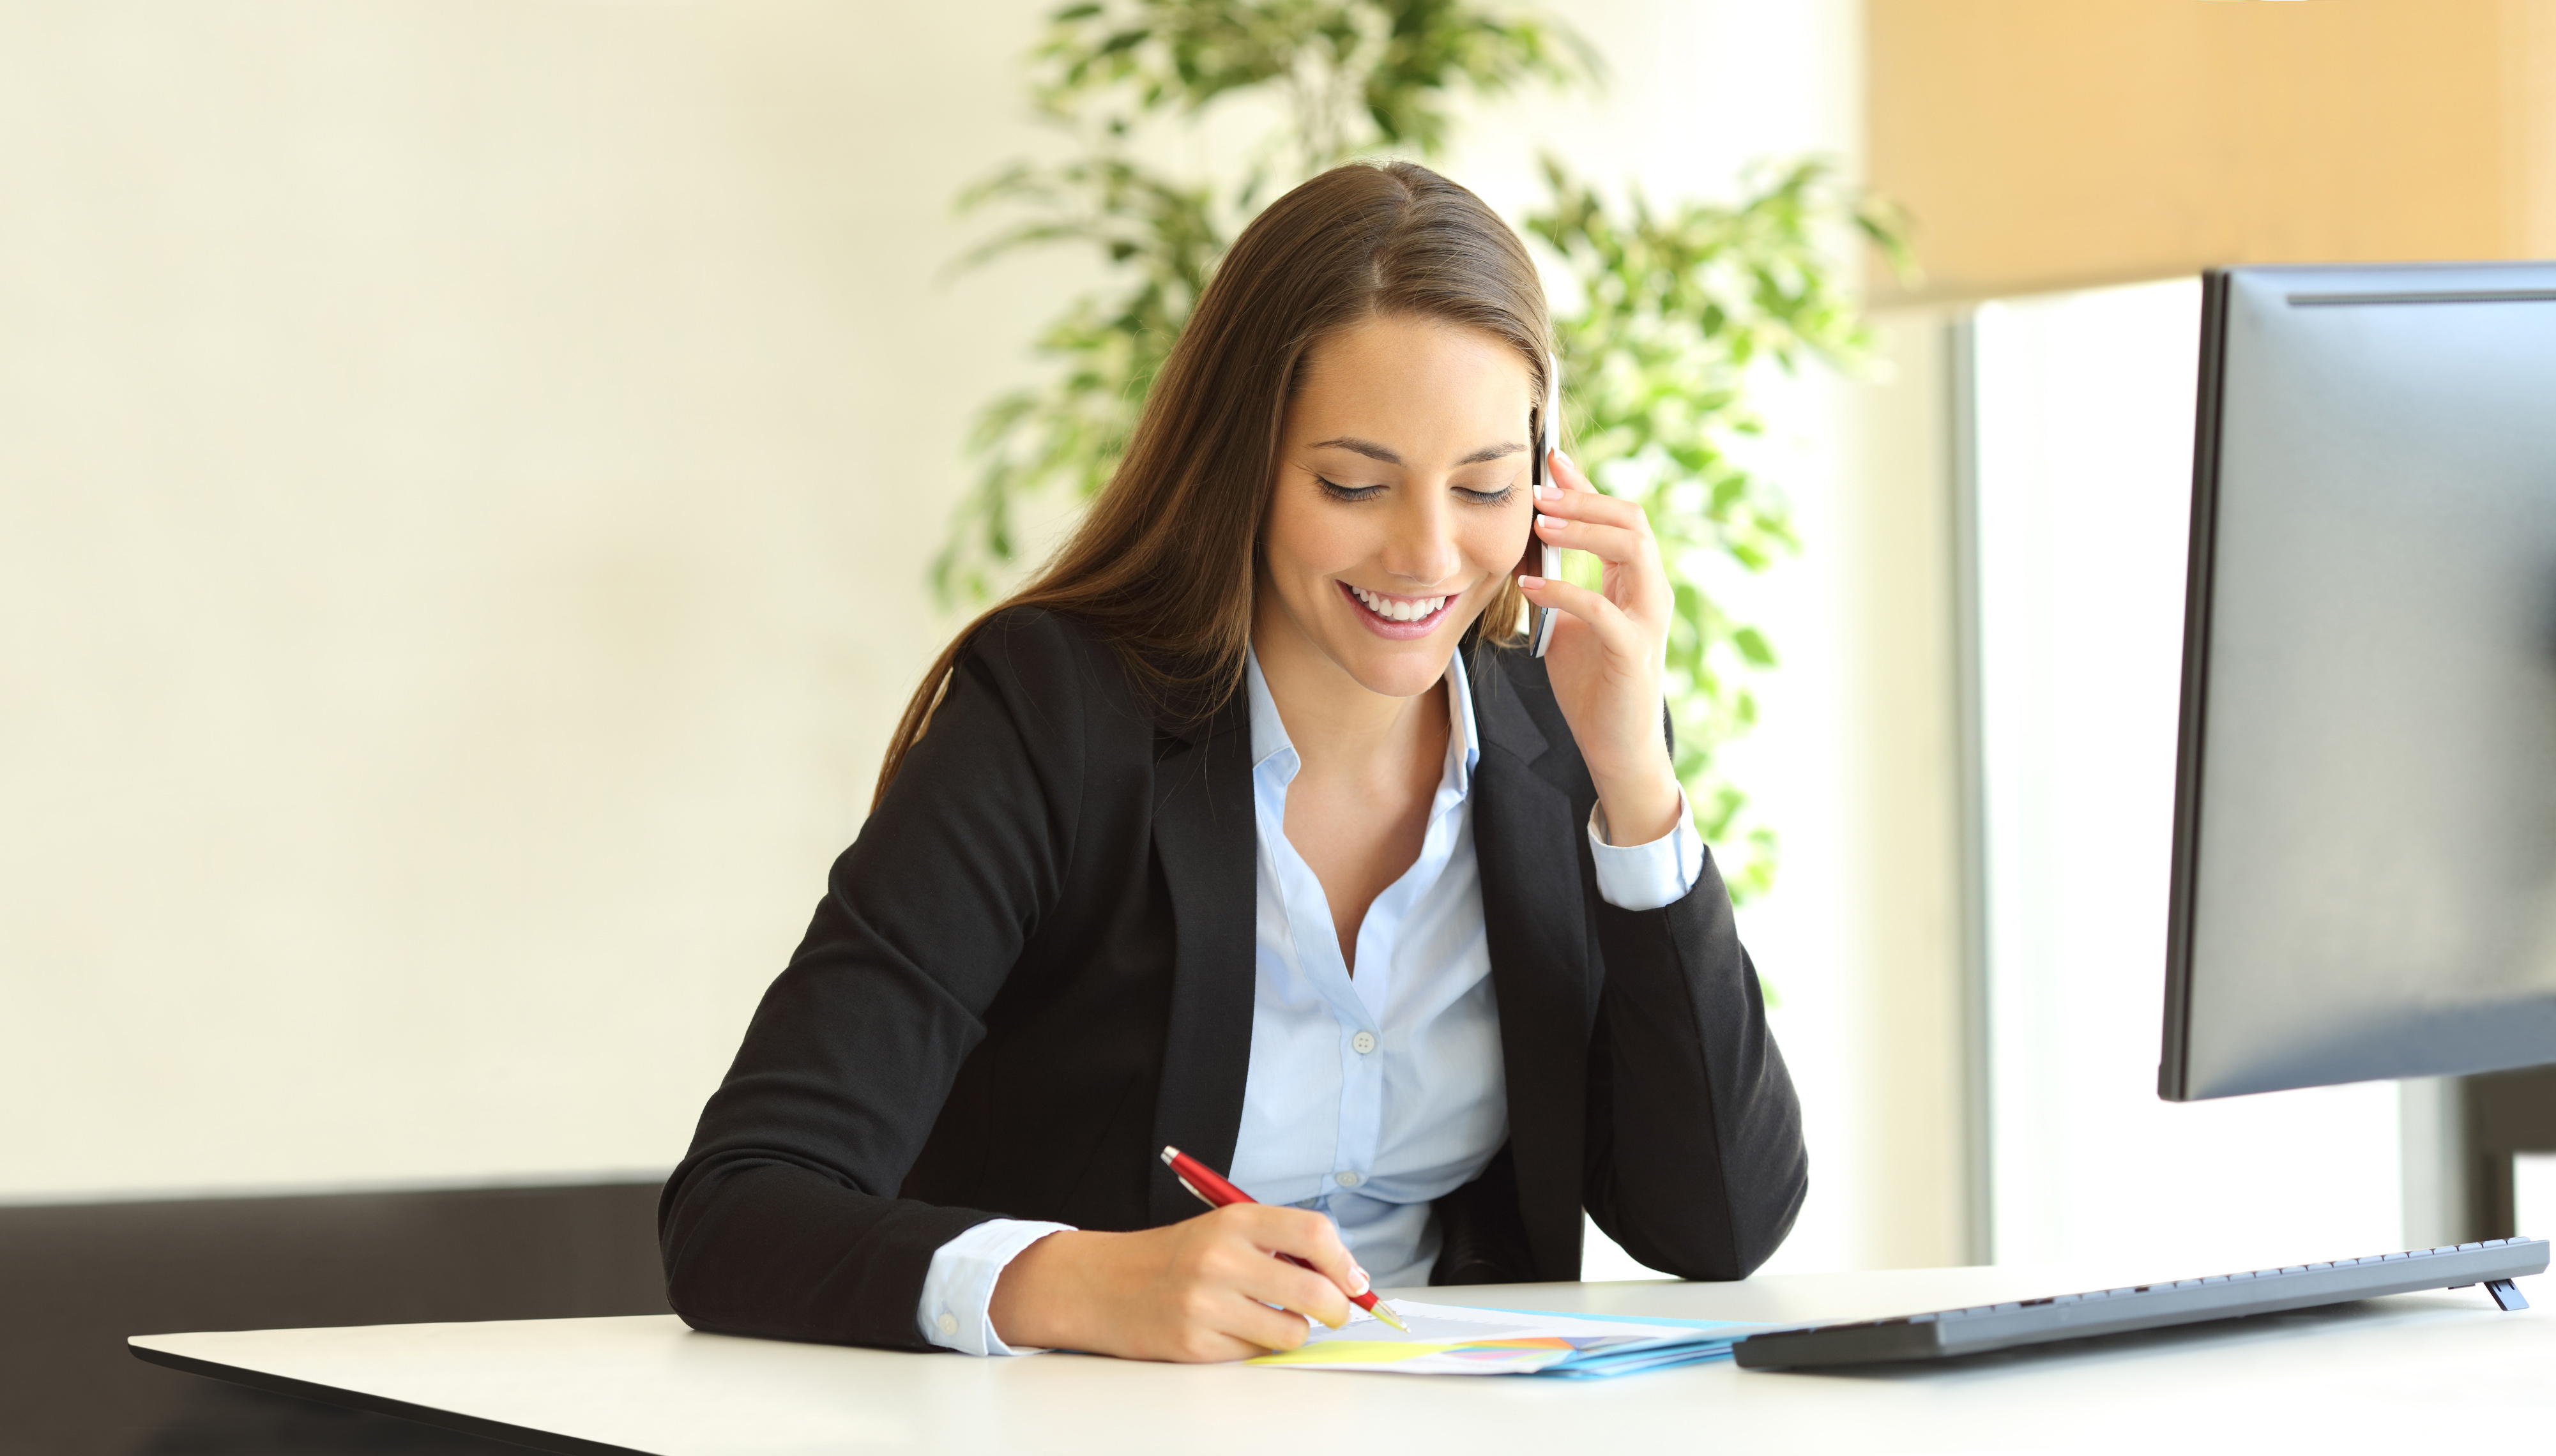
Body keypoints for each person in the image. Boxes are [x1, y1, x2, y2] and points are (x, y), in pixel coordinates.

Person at [658, 160, 1805, 1364]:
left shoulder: (1565, 735)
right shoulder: (1055, 715)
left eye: (1483, 485)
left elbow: (1718, 1225)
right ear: (1241, 463)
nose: (1426, 552)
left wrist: (1636, 789)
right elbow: (738, 1208)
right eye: (1352, 483)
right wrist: (1070, 1283)